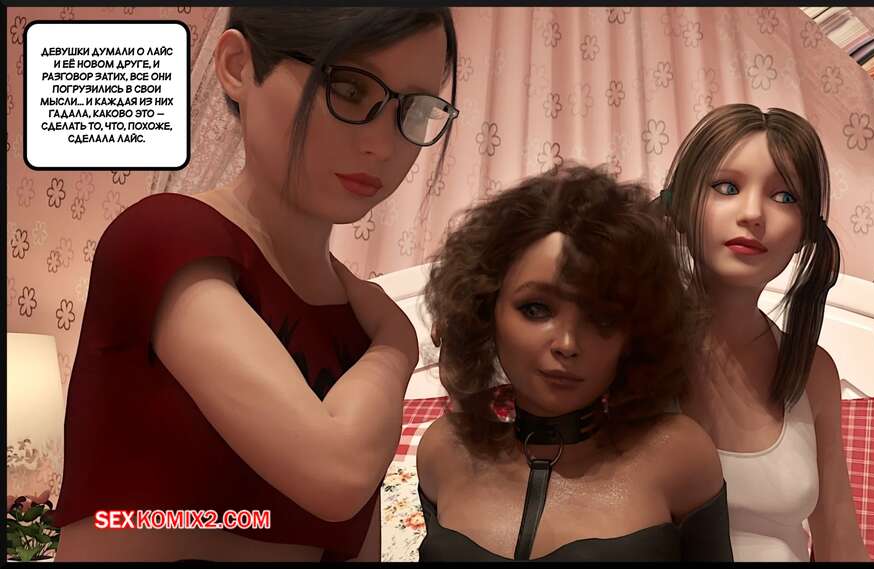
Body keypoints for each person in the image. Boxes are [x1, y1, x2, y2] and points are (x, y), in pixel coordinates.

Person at [52, 7, 460, 561]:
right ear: (238, 66)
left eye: (413, 110)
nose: (383, 147)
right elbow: (336, 474)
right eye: (349, 89)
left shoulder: (358, 312)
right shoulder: (166, 236)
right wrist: (396, 344)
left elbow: (357, 539)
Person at [416, 165, 733, 561]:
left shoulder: (680, 456)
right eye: (536, 309)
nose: (567, 344)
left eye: (602, 318)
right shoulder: (443, 451)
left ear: (637, 332)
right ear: (485, 310)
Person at [657, 103, 870, 561]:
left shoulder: (813, 372)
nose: (753, 213)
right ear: (680, 205)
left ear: (806, 232)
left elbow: (838, 537)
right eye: (726, 187)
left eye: (785, 196)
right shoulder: (628, 346)